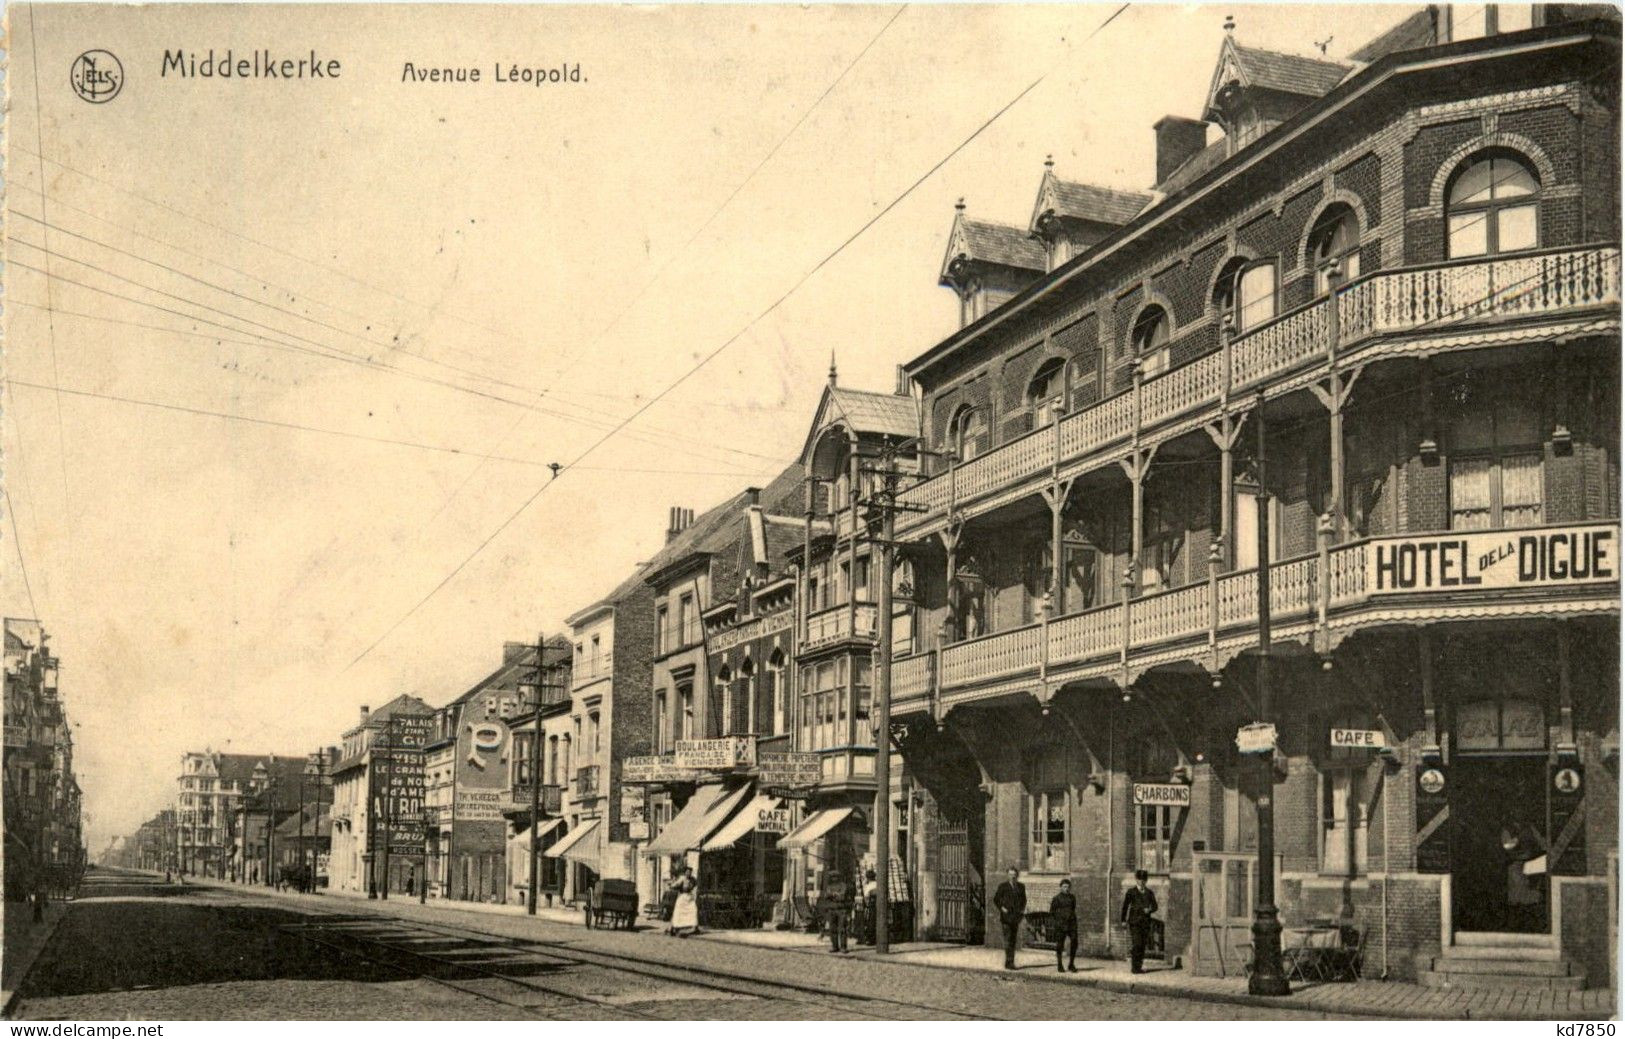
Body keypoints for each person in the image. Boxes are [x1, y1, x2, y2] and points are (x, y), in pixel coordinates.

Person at [1120, 869, 1158, 974]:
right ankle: (1134, 967)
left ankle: (1139, 966)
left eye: (1144, 879)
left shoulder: (1149, 893)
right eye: (1140, 879)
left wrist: (1149, 909)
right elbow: (1125, 906)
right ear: (1136, 879)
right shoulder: (1131, 892)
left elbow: (1155, 906)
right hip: (1134, 922)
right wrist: (1123, 920)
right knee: (1137, 944)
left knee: (1142, 945)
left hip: (1145, 923)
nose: (1142, 881)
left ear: (1146, 880)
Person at [993, 866, 1026, 970]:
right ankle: (1009, 962)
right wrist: (1002, 908)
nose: (1012, 877)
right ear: (1007, 875)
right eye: (1010, 875)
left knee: (1013, 940)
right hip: (1006, 917)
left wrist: (1021, 911)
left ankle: (1011, 961)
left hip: (1015, 917)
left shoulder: (1021, 886)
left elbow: (1024, 900)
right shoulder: (1003, 886)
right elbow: (996, 899)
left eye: (1014, 875)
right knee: (1008, 940)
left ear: (1017, 876)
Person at [1049, 878, 1079, 973]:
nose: (1066, 888)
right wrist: (1057, 923)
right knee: (1060, 945)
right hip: (1061, 925)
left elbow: (1073, 909)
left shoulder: (1072, 898)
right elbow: (1052, 912)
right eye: (1064, 886)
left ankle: (1071, 964)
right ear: (1061, 887)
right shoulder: (1056, 898)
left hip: (1071, 924)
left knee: (1074, 941)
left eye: (1068, 887)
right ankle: (1060, 964)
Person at [821, 871, 854, 953]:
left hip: (841, 909)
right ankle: (834, 946)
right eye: (832, 877)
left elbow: (841, 897)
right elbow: (826, 896)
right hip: (832, 909)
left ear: (838, 877)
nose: (833, 878)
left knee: (842, 929)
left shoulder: (843, 885)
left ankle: (843, 947)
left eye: (835, 877)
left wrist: (832, 895)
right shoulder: (829, 886)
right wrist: (834, 894)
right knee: (832, 929)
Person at [668, 865, 699, 937]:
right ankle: (674, 927)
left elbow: (695, 886)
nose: (689, 873)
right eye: (687, 872)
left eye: (690, 872)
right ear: (685, 872)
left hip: (690, 898)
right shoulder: (682, 878)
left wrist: (694, 893)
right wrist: (672, 884)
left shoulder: (693, 879)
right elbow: (675, 885)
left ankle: (695, 927)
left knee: (694, 910)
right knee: (678, 913)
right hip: (682, 897)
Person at [862, 868, 879, 945]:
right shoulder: (878, 884)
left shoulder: (868, 886)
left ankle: (871, 939)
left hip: (872, 905)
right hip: (878, 905)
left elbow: (866, 897)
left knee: (870, 922)